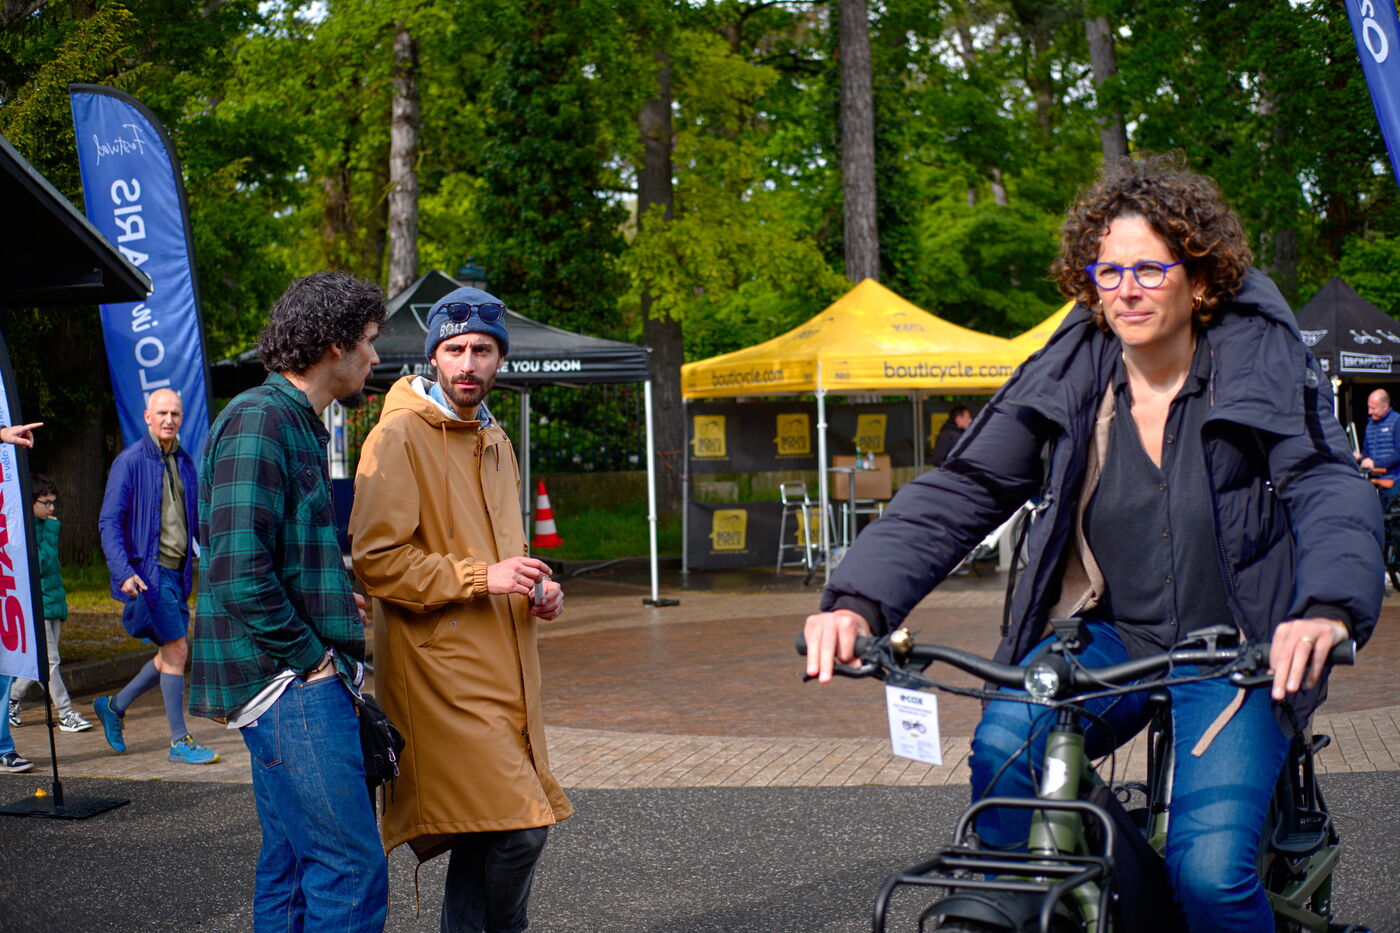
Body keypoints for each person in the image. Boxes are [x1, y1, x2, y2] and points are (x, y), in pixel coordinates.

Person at [803, 155, 1381, 933]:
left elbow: (1323, 479)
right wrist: (858, 600)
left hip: (1237, 648)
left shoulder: (1256, 359)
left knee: (1210, 877)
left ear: (1199, 282)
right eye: (1108, 271)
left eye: (1150, 268)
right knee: (1006, 747)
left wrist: (1326, 608)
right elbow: (967, 485)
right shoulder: (1073, 370)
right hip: (1112, 634)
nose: (1126, 289)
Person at [350, 286, 571, 933]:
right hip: (439, 677)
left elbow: (503, 554)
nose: (468, 363)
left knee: (489, 825)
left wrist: (535, 587)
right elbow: (376, 561)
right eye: (455, 350)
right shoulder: (396, 435)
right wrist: (483, 575)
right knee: (522, 825)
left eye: (482, 350)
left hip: (505, 668)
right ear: (434, 357)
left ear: (500, 358)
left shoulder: (495, 437)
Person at [189, 271, 388, 932]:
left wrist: (331, 598)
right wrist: (313, 660)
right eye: (368, 340)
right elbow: (237, 569)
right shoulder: (261, 417)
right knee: (349, 871)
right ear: (335, 345)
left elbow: (272, 554)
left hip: (285, 680)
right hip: (289, 683)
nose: (375, 356)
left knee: (293, 867)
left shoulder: (291, 420)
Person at [91, 388, 217, 765]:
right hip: (149, 573)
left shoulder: (185, 462)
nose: (169, 419)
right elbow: (109, 522)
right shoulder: (130, 461)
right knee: (177, 650)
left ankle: (114, 706)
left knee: (168, 654)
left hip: (178, 574)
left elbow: (195, 521)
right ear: (148, 417)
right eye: (162, 413)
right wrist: (123, 572)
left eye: (175, 413)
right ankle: (179, 741)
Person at [10, 474, 92, 732]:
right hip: (38, 607)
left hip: (53, 603)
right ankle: (66, 714)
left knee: (42, 661)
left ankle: (11, 700)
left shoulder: (45, 525)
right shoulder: (26, 528)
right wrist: (52, 533)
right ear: (31, 502)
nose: (51, 507)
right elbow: (41, 565)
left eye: (53, 502)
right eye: (46, 502)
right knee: (51, 662)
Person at [1359, 388, 1400, 509]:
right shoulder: (1369, 425)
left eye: (1373, 408)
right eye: (1369, 407)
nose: (1369, 412)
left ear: (1385, 407)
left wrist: (1375, 464)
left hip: (1395, 482)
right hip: (1374, 483)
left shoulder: (1397, 421)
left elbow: (1399, 453)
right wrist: (1364, 459)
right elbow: (1366, 452)